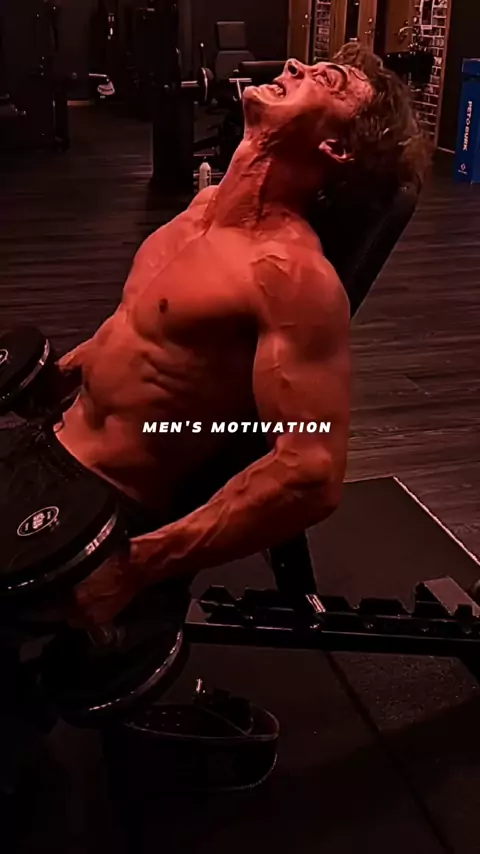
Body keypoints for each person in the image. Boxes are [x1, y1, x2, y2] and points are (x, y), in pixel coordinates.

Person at [53, 44, 428, 628]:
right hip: (50, 451)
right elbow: (136, 338)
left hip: (102, 510)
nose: (294, 67)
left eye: (326, 79)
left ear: (336, 147)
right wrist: (55, 376)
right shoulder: (201, 210)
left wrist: (135, 567)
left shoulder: (289, 274)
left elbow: (309, 474)